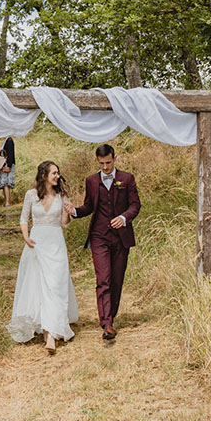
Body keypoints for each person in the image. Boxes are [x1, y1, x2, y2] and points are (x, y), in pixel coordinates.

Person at [66, 143, 141, 341]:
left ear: (114, 158)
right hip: (99, 236)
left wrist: (124, 217)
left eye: (108, 163)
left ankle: (111, 316)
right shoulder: (91, 180)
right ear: (97, 161)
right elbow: (89, 206)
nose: (105, 167)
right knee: (103, 279)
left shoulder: (126, 179)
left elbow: (135, 205)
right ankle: (106, 323)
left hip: (121, 237)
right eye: (102, 163)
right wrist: (75, 211)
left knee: (116, 280)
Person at [8, 160, 78, 352]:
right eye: (53, 173)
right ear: (43, 175)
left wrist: (68, 213)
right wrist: (26, 238)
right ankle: (48, 335)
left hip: (56, 243)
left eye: (57, 173)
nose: (57, 176)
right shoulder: (31, 195)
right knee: (39, 287)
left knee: (55, 286)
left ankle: (52, 331)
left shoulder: (62, 195)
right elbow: (23, 219)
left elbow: (65, 224)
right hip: (37, 243)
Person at [0, 135, 16, 207]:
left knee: (6, 183)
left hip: (7, 164)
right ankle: (6, 201)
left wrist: (9, 166)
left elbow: (10, 154)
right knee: (4, 183)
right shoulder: (6, 140)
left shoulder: (9, 140)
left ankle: (7, 202)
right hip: (3, 164)